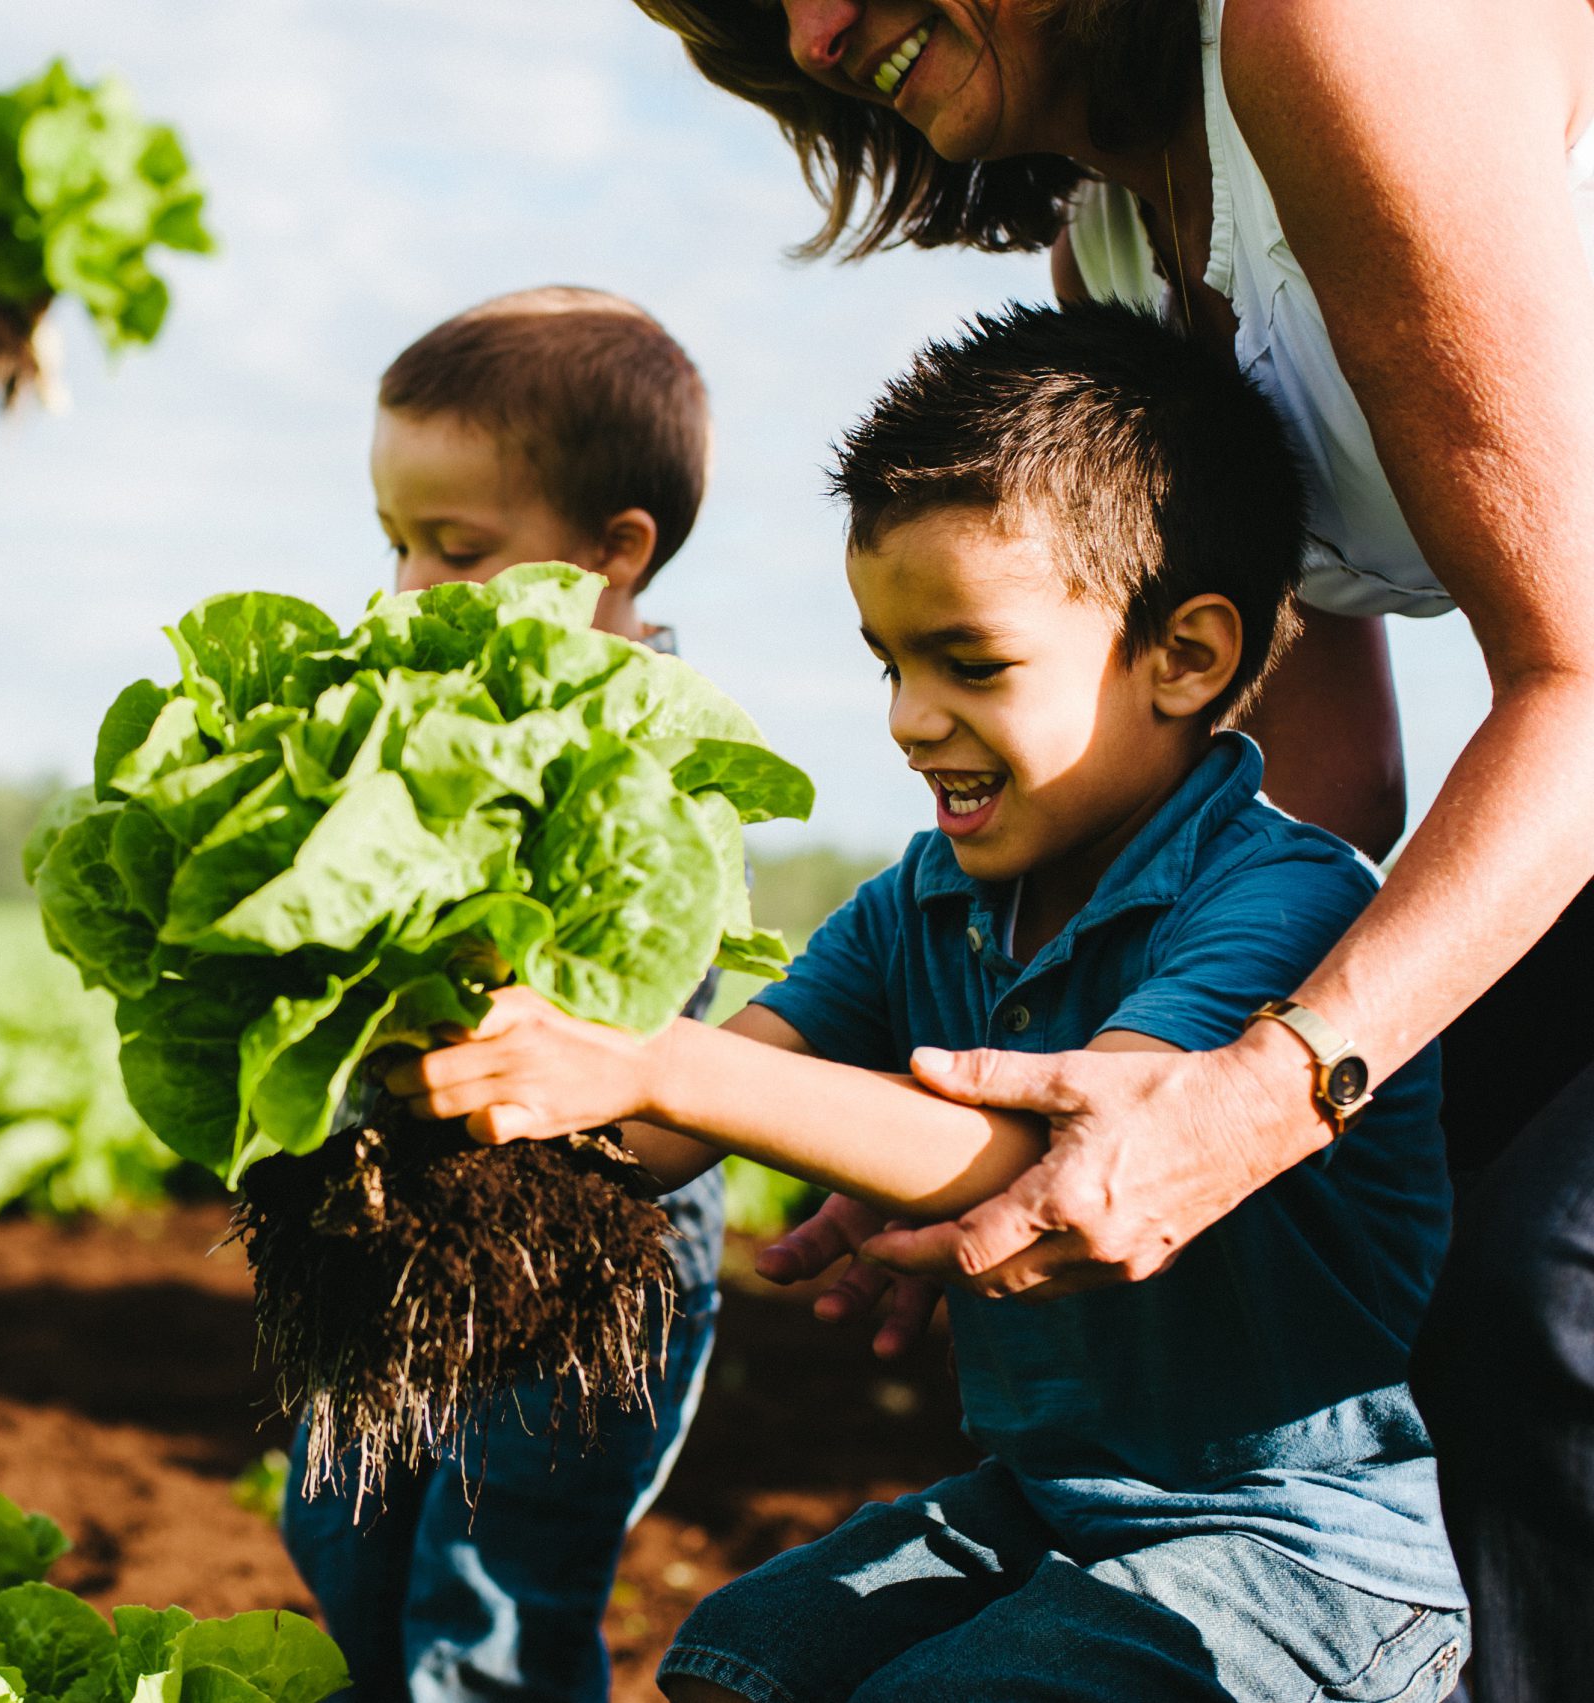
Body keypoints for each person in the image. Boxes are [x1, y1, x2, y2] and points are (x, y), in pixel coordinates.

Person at [631, 4, 1594, 1687]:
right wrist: (1059, 1109)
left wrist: (1275, 1086)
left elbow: (1581, 680)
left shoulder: (1329, 35)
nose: (807, 24)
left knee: (1539, 1304)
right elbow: (1324, 782)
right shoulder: (1118, 244)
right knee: (1437, 1304)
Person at [396, 303, 1468, 1702]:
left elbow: (1061, 1170)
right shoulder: (926, 896)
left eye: (971, 663)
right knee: (739, 1662)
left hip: (1311, 1546)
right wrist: (466, 1058)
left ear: (1187, 659)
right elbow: (668, 1129)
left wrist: (654, 1065)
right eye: (890, 662)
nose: (909, 717)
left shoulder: (1280, 905)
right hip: (1061, 1499)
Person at [278, 287, 724, 1703]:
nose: (407, 587)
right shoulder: (399, 728)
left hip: (580, 1262)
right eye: (394, 542)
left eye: (455, 551)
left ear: (613, 555)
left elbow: (630, 1027)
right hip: (390, 1232)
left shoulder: (660, 758)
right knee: (341, 1544)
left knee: (491, 1605)